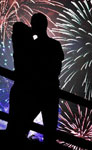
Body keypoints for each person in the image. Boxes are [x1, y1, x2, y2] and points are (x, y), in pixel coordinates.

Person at [23, 13, 64, 147]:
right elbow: (56, 70)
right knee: (50, 129)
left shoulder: (32, 46)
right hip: (50, 91)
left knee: (25, 123)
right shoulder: (55, 45)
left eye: (33, 24)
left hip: (36, 90)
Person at [6, 22, 33, 148]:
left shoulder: (17, 41)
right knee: (22, 121)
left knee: (14, 119)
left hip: (19, 87)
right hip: (25, 88)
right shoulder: (27, 46)